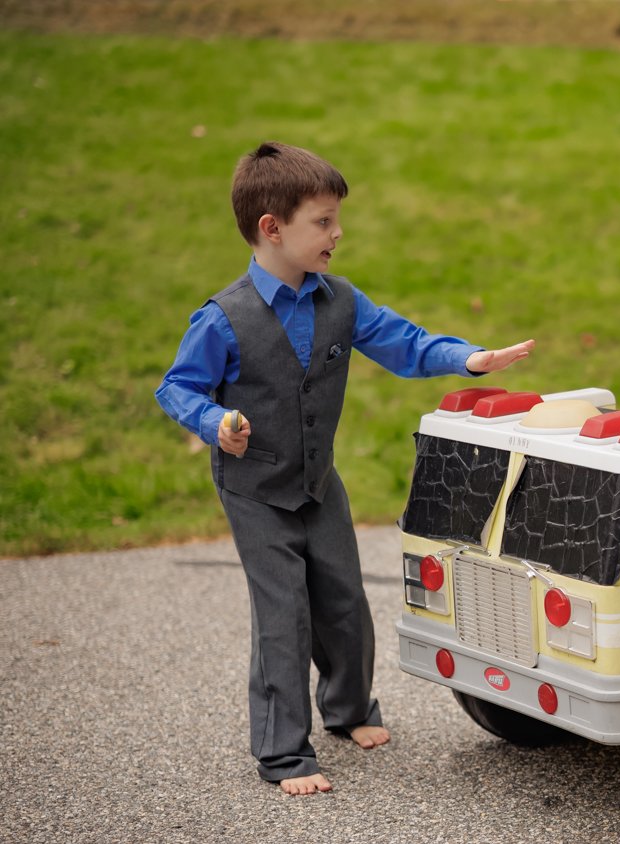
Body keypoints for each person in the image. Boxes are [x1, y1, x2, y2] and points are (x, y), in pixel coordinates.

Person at [156, 141, 536, 795]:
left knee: (343, 600)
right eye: (323, 221)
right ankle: (282, 755)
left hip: (316, 481)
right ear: (272, 230)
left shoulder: (340, 301)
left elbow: (406, 342)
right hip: (254, 489)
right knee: (284, 615)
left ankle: (350, 708)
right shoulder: (223, 320)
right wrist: (215, 423)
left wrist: (467, 359)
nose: (338, 233)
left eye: (337, 219)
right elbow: (176, 389)